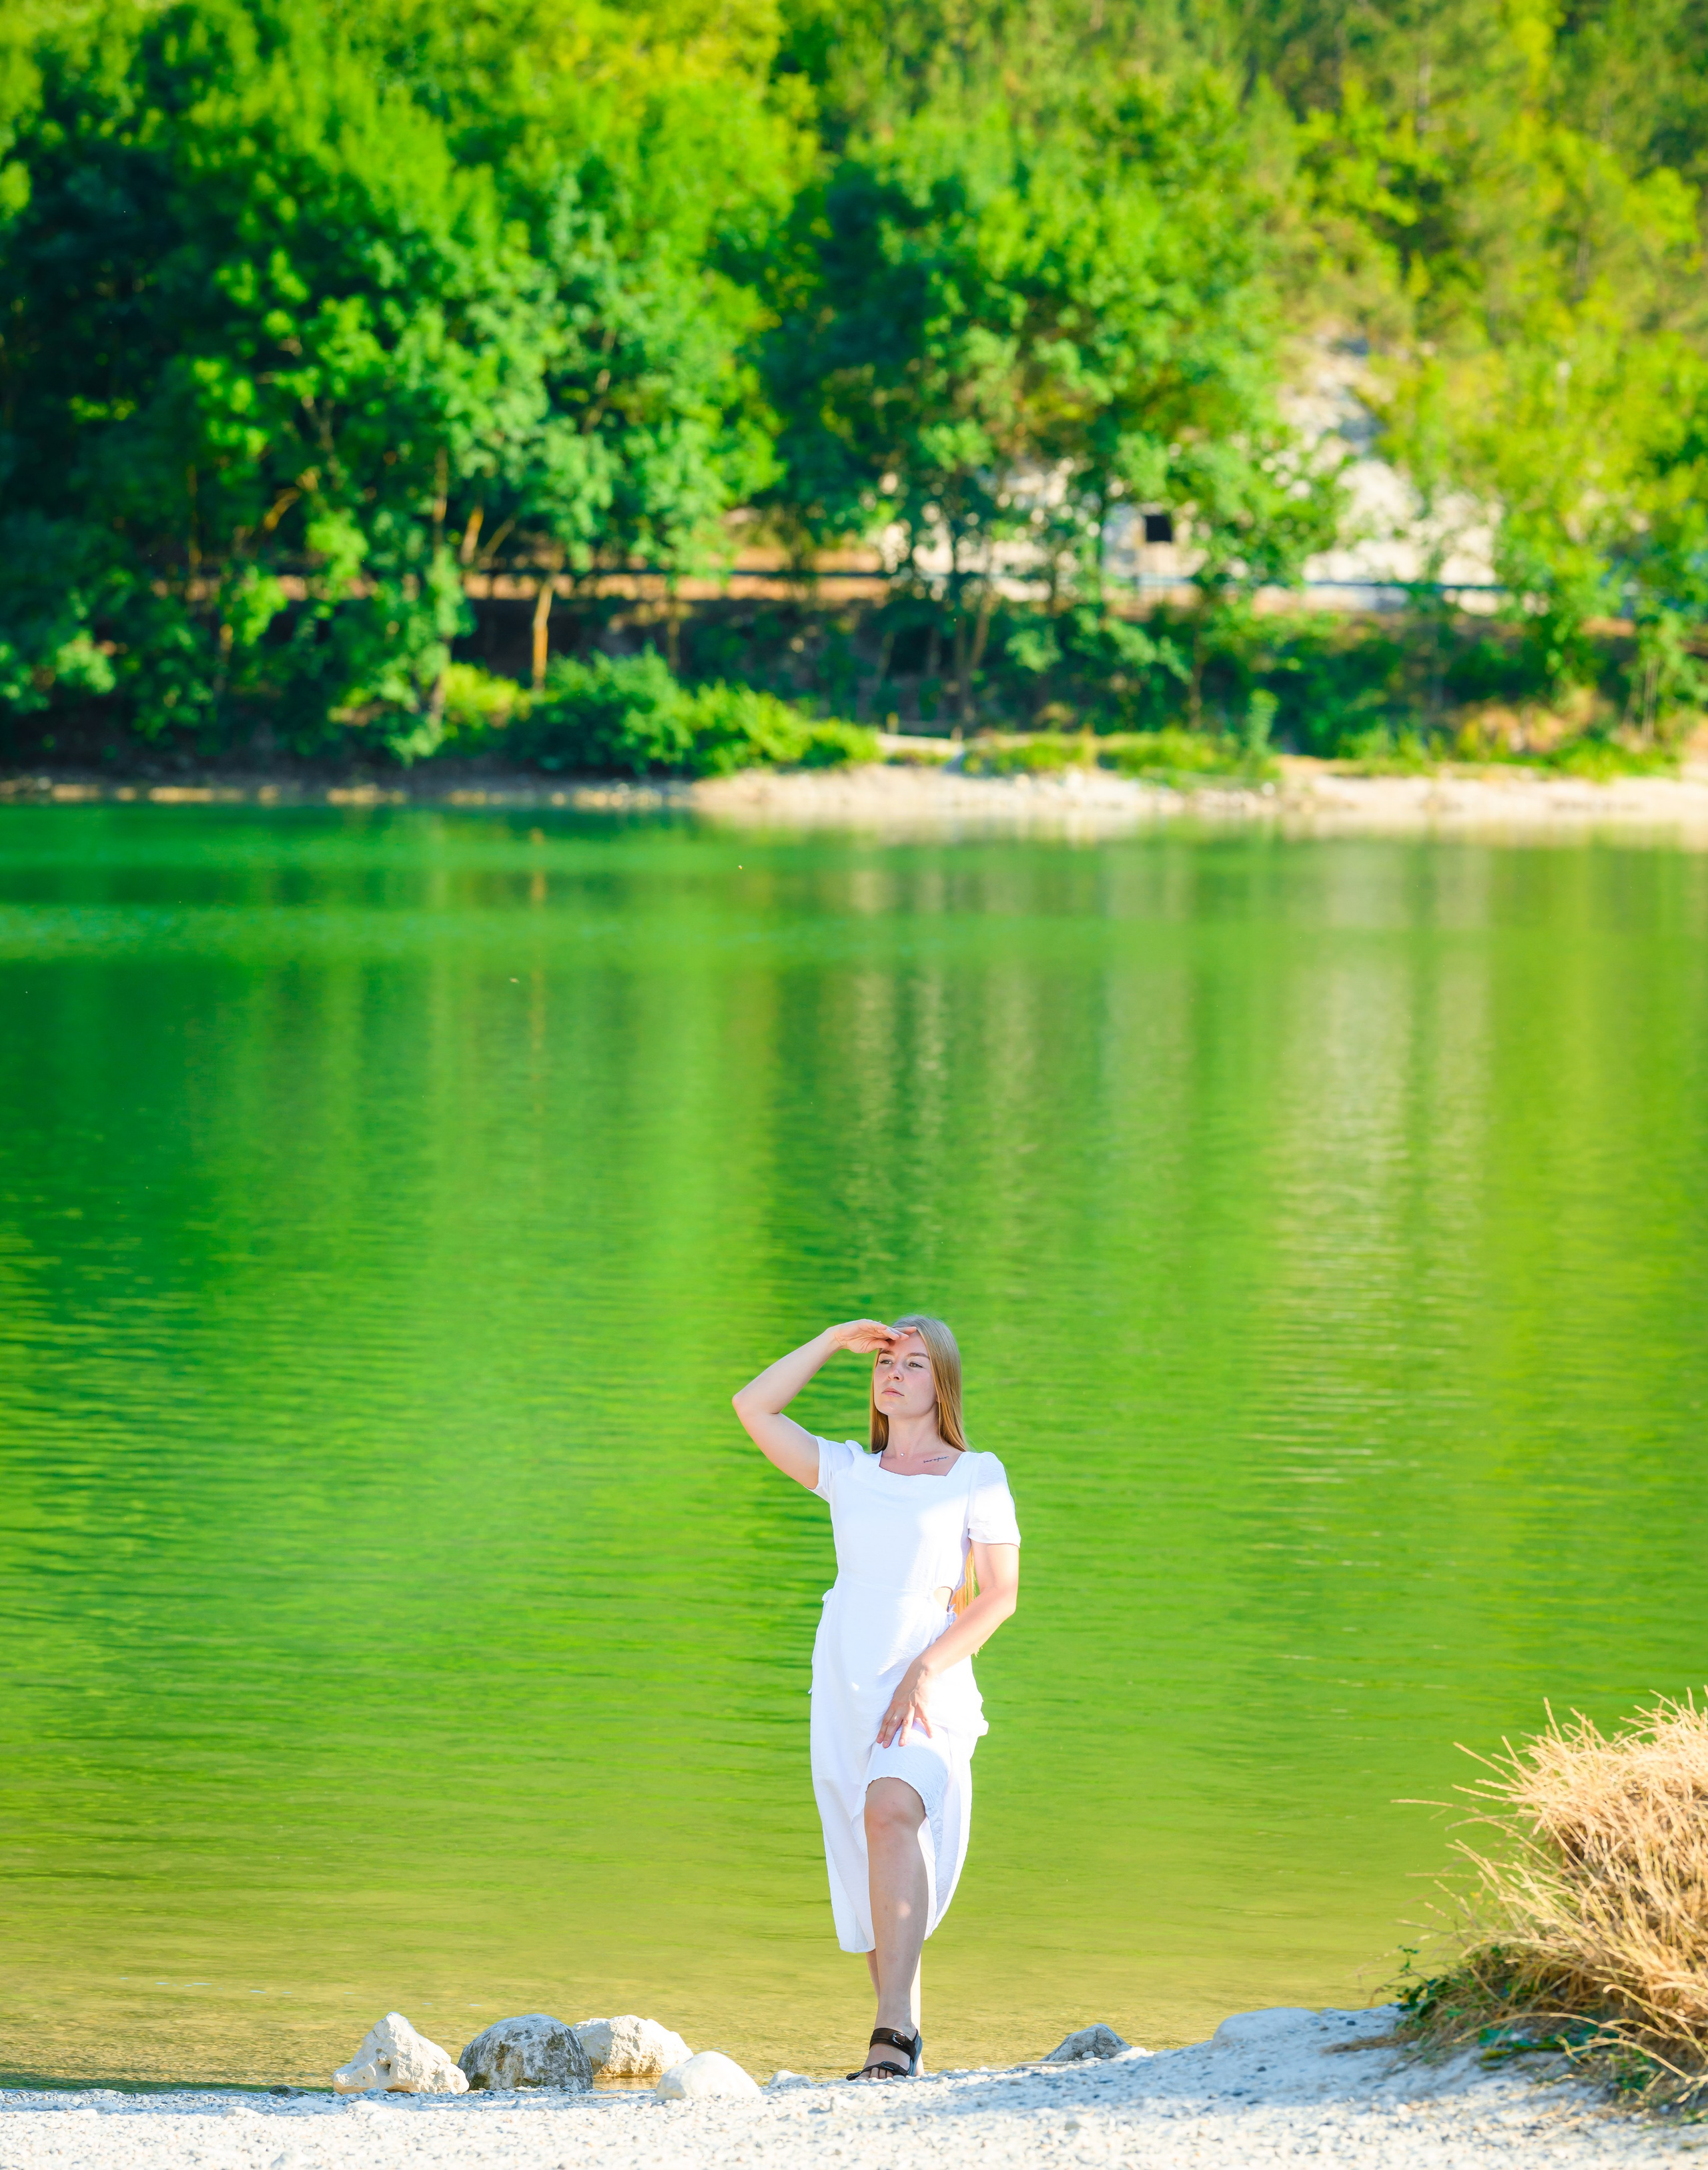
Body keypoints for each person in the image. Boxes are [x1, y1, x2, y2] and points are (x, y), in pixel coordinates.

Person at [731, 1315, 1021, 2081]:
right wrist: (829, 1341)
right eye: (886, 1360)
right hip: (846, 1678)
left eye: (915, 1363)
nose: (894, 1372)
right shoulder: (847, 1471)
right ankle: (903, 2042)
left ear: (943, 1383)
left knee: (893, 1807)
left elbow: (1000, 1596)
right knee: (869, 1843)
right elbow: (752, 1407)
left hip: (929, 1678)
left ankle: (888, 2033)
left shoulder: (976, 1474)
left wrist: (926, 1670)